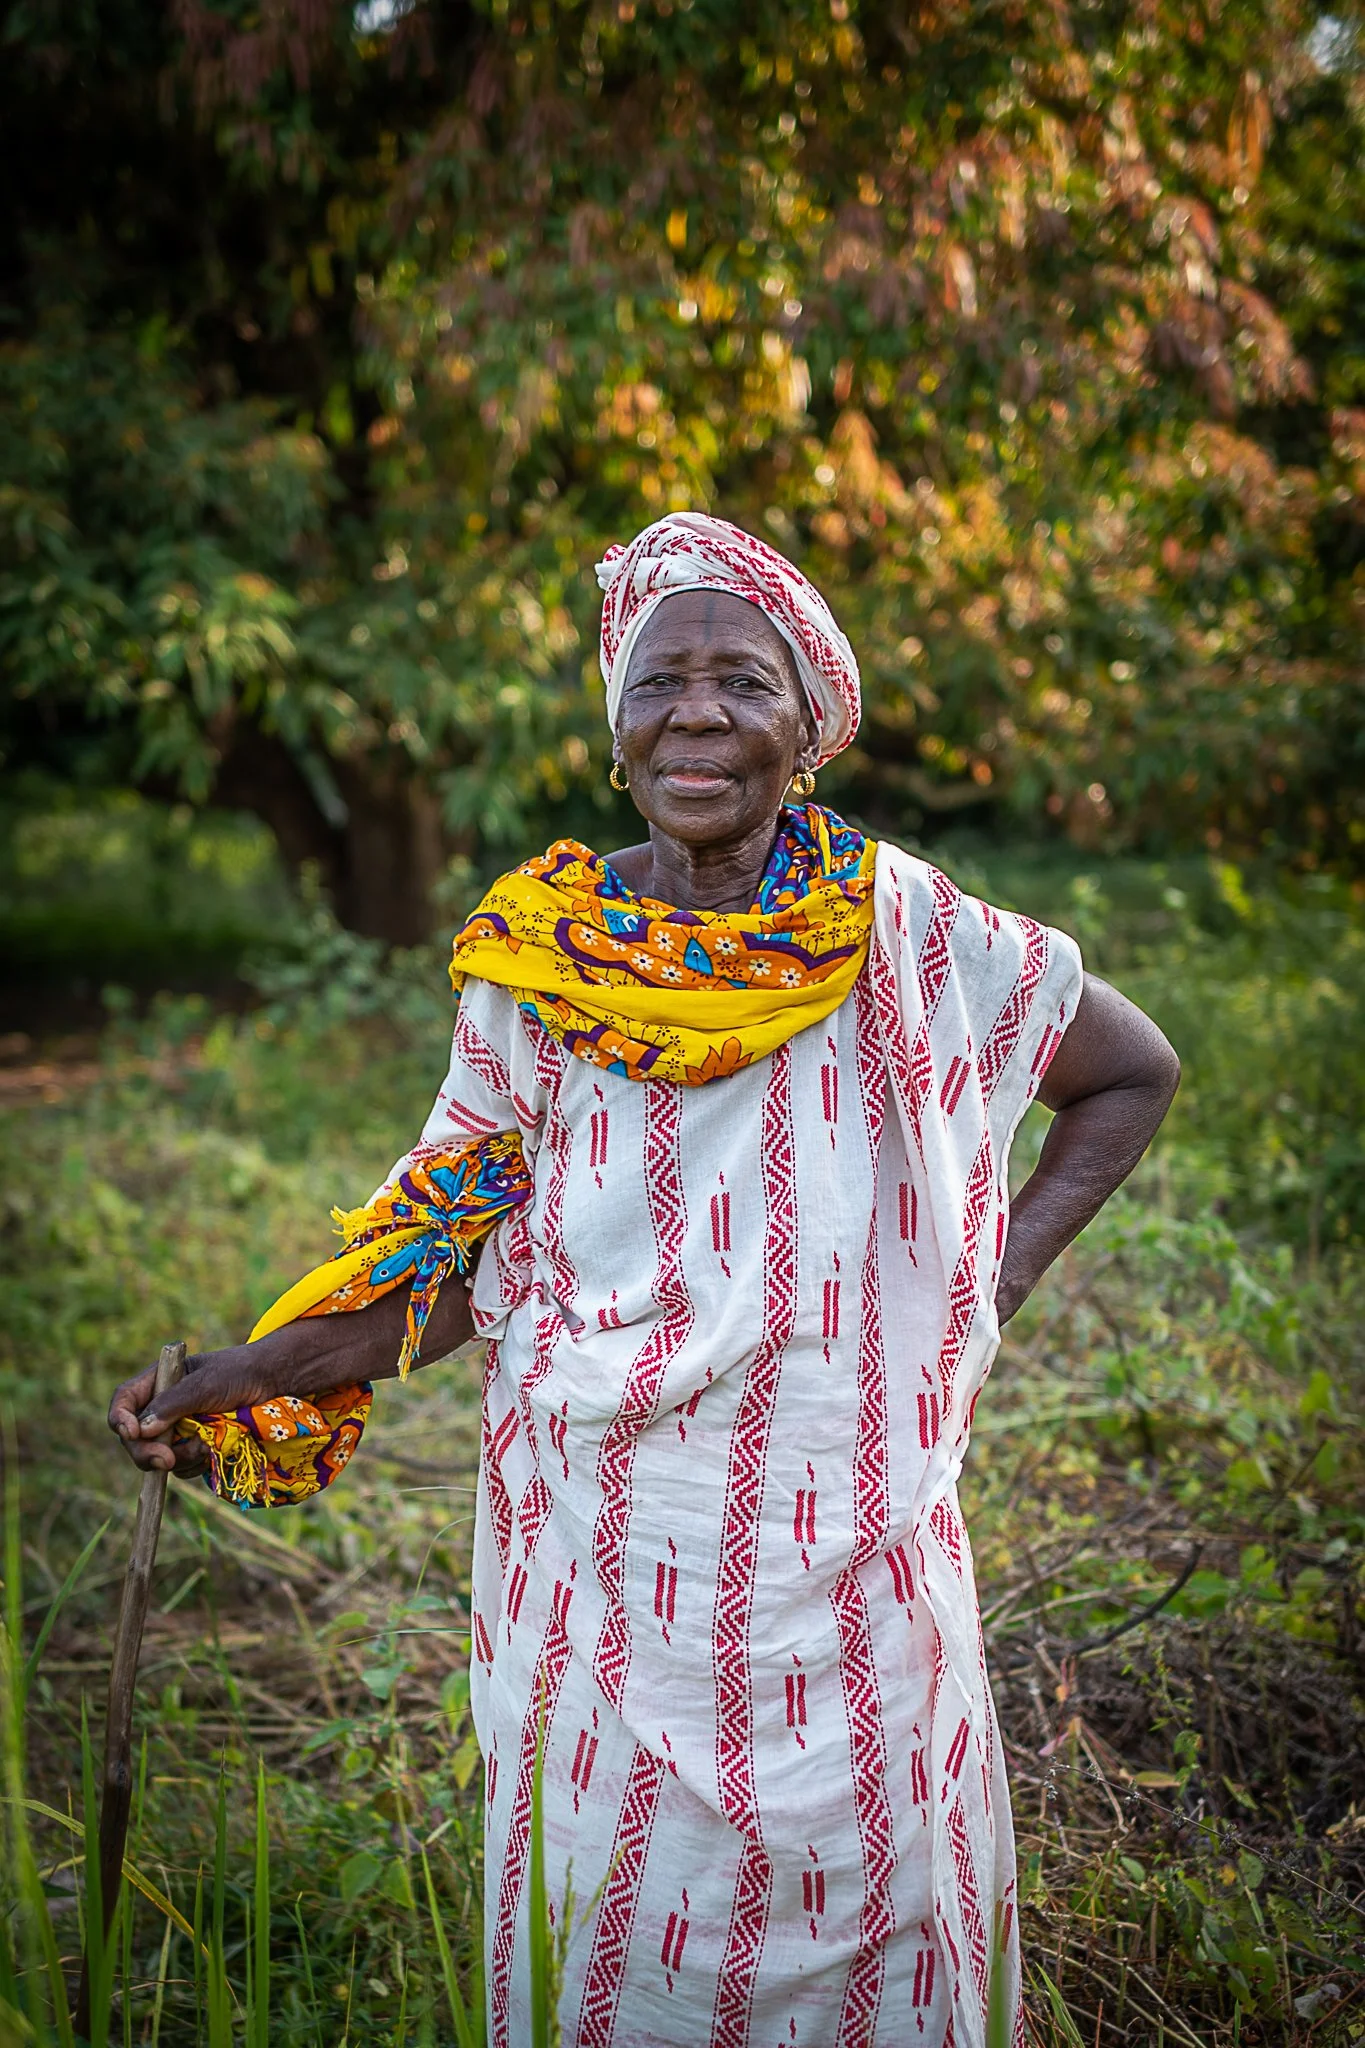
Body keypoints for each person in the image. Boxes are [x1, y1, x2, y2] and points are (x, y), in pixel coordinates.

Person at [109, 513, 1178, 2048]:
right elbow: (450, 1260)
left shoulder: (916, 935)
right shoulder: (537, 967)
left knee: (886, 1933)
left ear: (805, 727)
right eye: (660, 683)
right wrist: (244, 1375)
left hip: (860, 1568)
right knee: (614, 1948)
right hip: (599, 1572)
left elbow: (1132, 1073)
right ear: (615, 726)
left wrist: (972, 1294)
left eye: (742, 683)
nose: (697, 715)